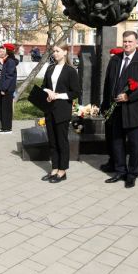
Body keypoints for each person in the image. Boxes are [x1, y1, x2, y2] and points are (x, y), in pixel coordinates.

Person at [103, 31, 138, 189]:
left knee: (135, 145)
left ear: (136, 42)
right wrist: (105, 105)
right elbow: (108, 83)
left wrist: (129, 97)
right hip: (116, 110)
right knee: (117, 142)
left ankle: (132, 175)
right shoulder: (115, 60)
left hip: (134, 111)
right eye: (125, 41)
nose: (127, 44)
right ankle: (119, 171)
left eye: (130, 41)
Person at [40, 45, 81, 183]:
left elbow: (75, 92)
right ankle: (54, 168)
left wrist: (58, 95)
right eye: (54, 51)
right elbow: (43, 86)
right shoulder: (50, 68)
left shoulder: (70, 71)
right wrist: (48, 92)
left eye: (57, 51)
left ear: (65, 52)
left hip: (62, 109)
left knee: (61, 141)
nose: (55, 53)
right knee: (52, 141)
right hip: (49, 109)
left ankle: (62, 171)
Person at [99, 47, 125, 174]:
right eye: (110, 56)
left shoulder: (122, 67)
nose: (111, 58)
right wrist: (104, 105)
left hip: (118, 108)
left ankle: (117, 163)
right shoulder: (113, 65)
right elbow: (107, 85)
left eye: (113, 55)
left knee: (116, 139)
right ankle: (112, 160)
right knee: (109, 137)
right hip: (109, 106)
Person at [0, 43, 19, 134]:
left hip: (7, 89)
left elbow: (9, 76)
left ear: (8, 51)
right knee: (5, 108)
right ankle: (5, 127)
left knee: (6, 109)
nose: (3, 51)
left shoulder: (10, 61)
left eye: (4, 49)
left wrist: (4, 89)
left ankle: (7, 128)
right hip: (7, 88)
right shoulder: (9, 60)